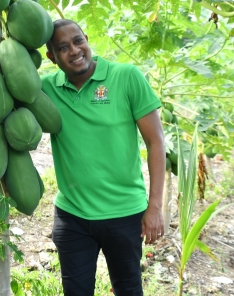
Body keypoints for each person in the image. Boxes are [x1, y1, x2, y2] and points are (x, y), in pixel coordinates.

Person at [42, 19, 166, 296]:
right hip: (72, 215)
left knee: (128, 289)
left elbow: (156, 142)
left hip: (125, 213)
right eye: (62, 47)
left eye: (77, 41)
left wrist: (155, 206)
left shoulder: (126, 76)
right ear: (51, 57)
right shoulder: (46, 89)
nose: (74, 50)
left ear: (86, 38)